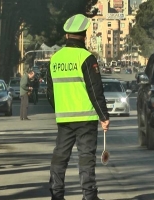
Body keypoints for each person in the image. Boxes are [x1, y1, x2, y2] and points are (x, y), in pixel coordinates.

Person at [46, 14, 110, 200]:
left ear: (67, 36)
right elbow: (95, 90)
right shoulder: (86, 57)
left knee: (60, 157)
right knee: (86, 158)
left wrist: (60, 108)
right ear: (84, 34)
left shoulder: (55, 59)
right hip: (85, 120)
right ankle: (89, 196)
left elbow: (50, 92)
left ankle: (56, 195)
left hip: (64, 119)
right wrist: (103, 116)